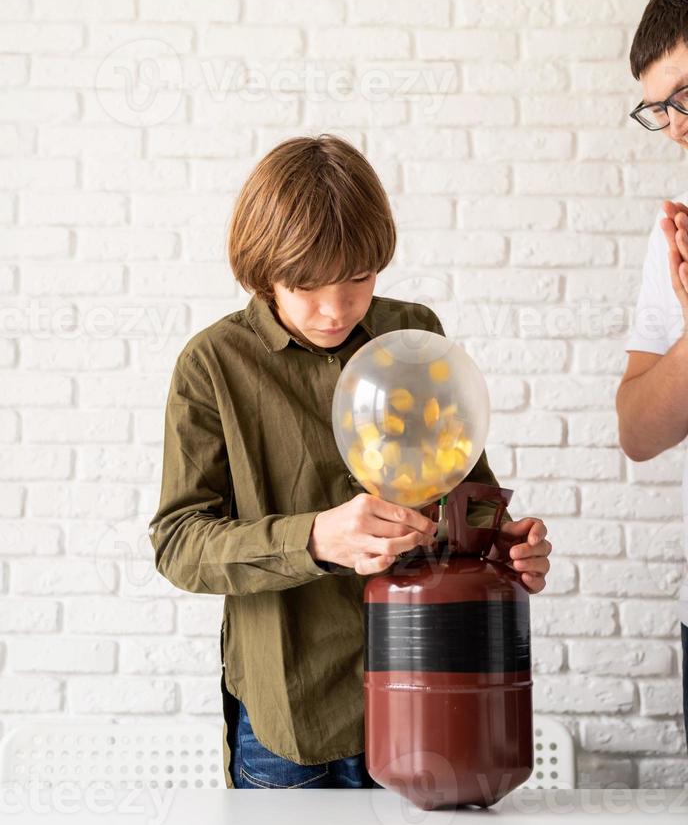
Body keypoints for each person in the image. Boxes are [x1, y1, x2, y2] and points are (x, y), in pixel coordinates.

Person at [148, 133, 553, 789]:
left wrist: (502, 546)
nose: (336, 309)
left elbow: (468, 496)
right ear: (261, 269)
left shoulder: (412, 333)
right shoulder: (213, 365)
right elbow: (179, 545)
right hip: (290, 718)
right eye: (306, 285)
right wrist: (314, 538)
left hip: (431, 693)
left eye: (358, 279)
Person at [617, 0, 688, 749]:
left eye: (684, 95)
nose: (673, 127)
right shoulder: (675, 241)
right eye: (659, 108)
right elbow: (638, 430)